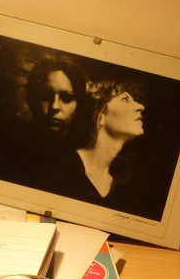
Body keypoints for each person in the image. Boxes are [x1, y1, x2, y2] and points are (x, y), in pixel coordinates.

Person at [41, 79, 148, 213]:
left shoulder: (124, 190)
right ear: (101, 115)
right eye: (125, 99)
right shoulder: (61, 172)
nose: (141, 106)